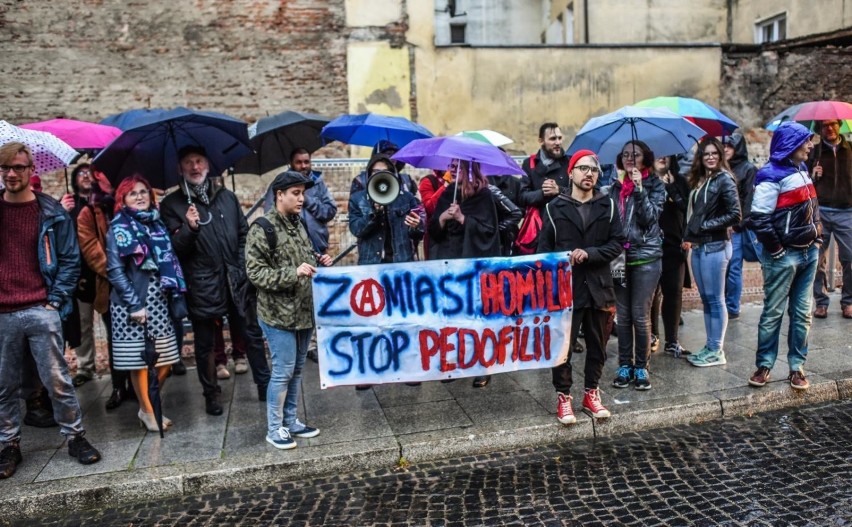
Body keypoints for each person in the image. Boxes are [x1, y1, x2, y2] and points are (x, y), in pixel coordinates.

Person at [0, 142, 101, 479]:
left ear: (31, 171)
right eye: (5, 169)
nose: (11, 174)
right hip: (3, 314)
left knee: (58, 380)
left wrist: (55, 300)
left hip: (41, 308)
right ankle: (9, 445)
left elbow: (71, 260)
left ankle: (75, 437)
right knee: (5, 385)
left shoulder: (51, 212)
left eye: (18, 168)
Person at [160, 146, 270, 415]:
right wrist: (190, 228)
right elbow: (174, 249)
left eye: (199, 161)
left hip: (235, 277)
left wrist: (242, 266)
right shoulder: (172, 204)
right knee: (206, 343)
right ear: (180, 169)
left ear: (208, 165)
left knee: (251, 333)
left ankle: (265, 385)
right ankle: (211, 394)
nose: (195, 167)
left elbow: (243, 233)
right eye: (188, 163)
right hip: (202, 282)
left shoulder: (227, 197)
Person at [246, 171, 332, 450]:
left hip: (303, 312)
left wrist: (319, 259)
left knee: (296, 370)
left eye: (303, 193)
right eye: (295, 193)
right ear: (279, 195)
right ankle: (274, 428)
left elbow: (303, 257)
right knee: (282, 371)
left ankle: (291, 421)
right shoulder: (262, 227)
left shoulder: (299, 223)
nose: (301, 198)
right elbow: (256, 274)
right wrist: (293, 273)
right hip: (277, 315)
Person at [538, 149, 625, 424]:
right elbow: (544, 252)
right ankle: (564, 397)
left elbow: (617, 243)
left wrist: (590, 254)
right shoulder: (554, 208)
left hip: (599, 286)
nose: (589, 174)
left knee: (598, 345)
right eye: (584, 168)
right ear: (571, 172)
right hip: (567, 289)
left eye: (594, 170)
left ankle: (591, 393)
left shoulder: (607, 205)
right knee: (562, 347)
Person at [106, 175, 186, 431]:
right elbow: (115, 271)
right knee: (140, 363)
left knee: (165, 359)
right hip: (132, 305)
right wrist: (134, 305)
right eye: (133, 193)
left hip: (160, 302)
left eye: (143, 191)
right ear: (123, 199)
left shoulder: (157, 224)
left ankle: (145, 407)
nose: (139, 196)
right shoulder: (118, 228)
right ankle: (150, 412)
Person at [748, 122, 821, 391]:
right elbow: (759, 218)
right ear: (791, 144)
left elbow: (811, 210)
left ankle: (796, 367)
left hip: (809, 253)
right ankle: (764, 364)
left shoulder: (801, 170)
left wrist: (818, 238)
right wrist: (778, 250)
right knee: (773, 313)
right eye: (806, 142)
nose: (810, 146)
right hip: (784, 256)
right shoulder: (769, 174)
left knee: (802, 314)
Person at [429, 159, 502, 388]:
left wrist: (462, 219)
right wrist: (443, 218)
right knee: (451, 316)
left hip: (472, 266)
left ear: (470, 169)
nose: (451, 168)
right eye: (450, 164)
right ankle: (453, 362)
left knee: (477, 318)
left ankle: (483, 365)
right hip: (449, 264)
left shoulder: (484, 196)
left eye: (457, 165)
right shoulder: (447, 193)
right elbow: (433, 230)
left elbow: (489, 232)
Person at [263, 147, 338, 363]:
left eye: (307, 161)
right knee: (296, 299)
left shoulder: (318, 183)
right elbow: (272, 215)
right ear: (291, 163)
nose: (304, 166)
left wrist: (308, 200)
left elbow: (329, 211)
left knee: (319, 300)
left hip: (317, 250)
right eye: (299, 162)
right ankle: (297, 345)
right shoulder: (279, 185)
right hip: (292, 254)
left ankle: (315, 344)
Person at [76, 167, 135, 409]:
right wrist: (117, 273)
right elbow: (91, 251)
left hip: (137, 283)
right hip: (109, 288)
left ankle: (139, 386)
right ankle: (119, 387)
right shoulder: (88, 213)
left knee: (137, 337)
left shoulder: (129, 204)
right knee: (116, 339)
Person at [609, 140, 665, 391]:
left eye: (637, 154)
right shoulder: (615, 187)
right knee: (622, 316)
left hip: (646, 258)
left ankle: (641, 366)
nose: (630, 158)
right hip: (619, 258)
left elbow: (650, 218)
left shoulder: (655, 185)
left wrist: (640, 189)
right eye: (626, 154)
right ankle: (624, 365)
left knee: (640, 316)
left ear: (646, 158)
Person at [683, 138, 742, 367]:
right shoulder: (703, 180)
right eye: (705, 153)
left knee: (716, 300)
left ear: (720, 155)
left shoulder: (724, 179)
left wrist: (705, 226)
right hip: (700, 246)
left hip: (715, 246)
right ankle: (710, 346)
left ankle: (717, 350)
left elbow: (735, 215)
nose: (709, 157)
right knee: (707, 300)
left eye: (714, 153)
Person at [649, 156, 692, 357]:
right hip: (649, 246)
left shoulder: (680, 181)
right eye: (659, 152)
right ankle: (653, 335)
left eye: (667, 153)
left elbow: (688, 210)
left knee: (673, 293)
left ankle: (672, 341)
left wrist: (671, 188)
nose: (662, 156)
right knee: (651, 293)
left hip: (675, 245)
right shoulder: (646, 181)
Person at [810, 119, 852, 319]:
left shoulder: (850, 149)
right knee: (817, 260)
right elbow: (802, 182)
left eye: (833, 124)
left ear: (840, 125)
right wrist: (812, 175)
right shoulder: (814, 152)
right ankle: (821, 301)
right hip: (821, 212)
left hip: (847, 212)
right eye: (825, 125)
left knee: (850, 259)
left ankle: (848, 301)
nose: (830, 128)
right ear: (820, 129)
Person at [349, 154, 424, 266]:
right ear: (369, 174)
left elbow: (417, 235)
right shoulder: (358, 199)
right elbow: (357, 230)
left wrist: (416, 226)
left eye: (385, 171)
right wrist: (374, 213)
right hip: (371, 263)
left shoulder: (407, 198)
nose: (380, 175)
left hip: (401, 263)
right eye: (376, 171)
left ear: (392, 174)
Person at [723, 133, 760, 319]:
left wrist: (737, 225)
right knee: (724, 268)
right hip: (721, 227)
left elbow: (749, 201)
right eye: (724, 146)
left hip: (737, 228)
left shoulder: (748, 169)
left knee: (734, 267)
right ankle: (724, 303)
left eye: (729, 146)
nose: (725, 150)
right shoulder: (722, 168)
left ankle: (732, 306)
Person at [518, 123, 569, 211]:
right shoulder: (529, 163)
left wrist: (559, 190)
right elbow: (522, 197)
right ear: (541, 141)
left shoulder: (570, 162)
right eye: (553, 139)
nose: (558, 142)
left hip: (564, 219)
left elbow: (581, 193)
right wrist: (542, 193)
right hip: (540, 221)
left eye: (559, 138)